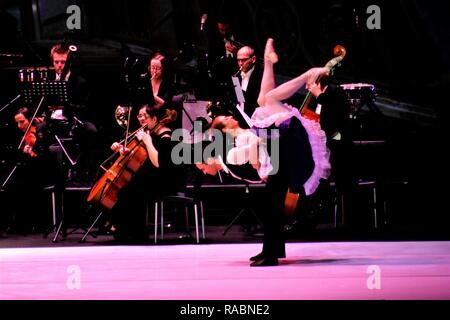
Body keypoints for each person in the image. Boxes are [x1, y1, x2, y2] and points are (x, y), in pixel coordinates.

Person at [197, 38, 331, 266]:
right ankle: (270, 252)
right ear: (224, 131)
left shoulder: (243, 133)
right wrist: (256, 147)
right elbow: (249, 151)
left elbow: (256, 146)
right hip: (282, 154)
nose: (230, 117)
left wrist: (257, 144)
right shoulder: (231, 151)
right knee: (272, 209)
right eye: (226, 119)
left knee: (263, 99)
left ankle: (272, 251)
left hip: (280, 151)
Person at [106, 105, 187, 241]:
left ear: (155, 119)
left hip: (168, 183)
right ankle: (131, 230)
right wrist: (123, 150)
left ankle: (131, 231)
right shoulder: (154, 135)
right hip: (158, 180)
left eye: (145, 116)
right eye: (139, 116)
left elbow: (158, 163)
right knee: (129, 189)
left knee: (132, 190)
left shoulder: (167, 138)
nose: (142, 120)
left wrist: (148, 142)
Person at [236, 45, 263, 120]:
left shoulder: (261, 76)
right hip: (242, 117)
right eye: (238, 60)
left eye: (243, 60)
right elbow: (240, 99)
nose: (240, 63)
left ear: (253, 59)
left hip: (256, 119)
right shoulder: (237, 76)